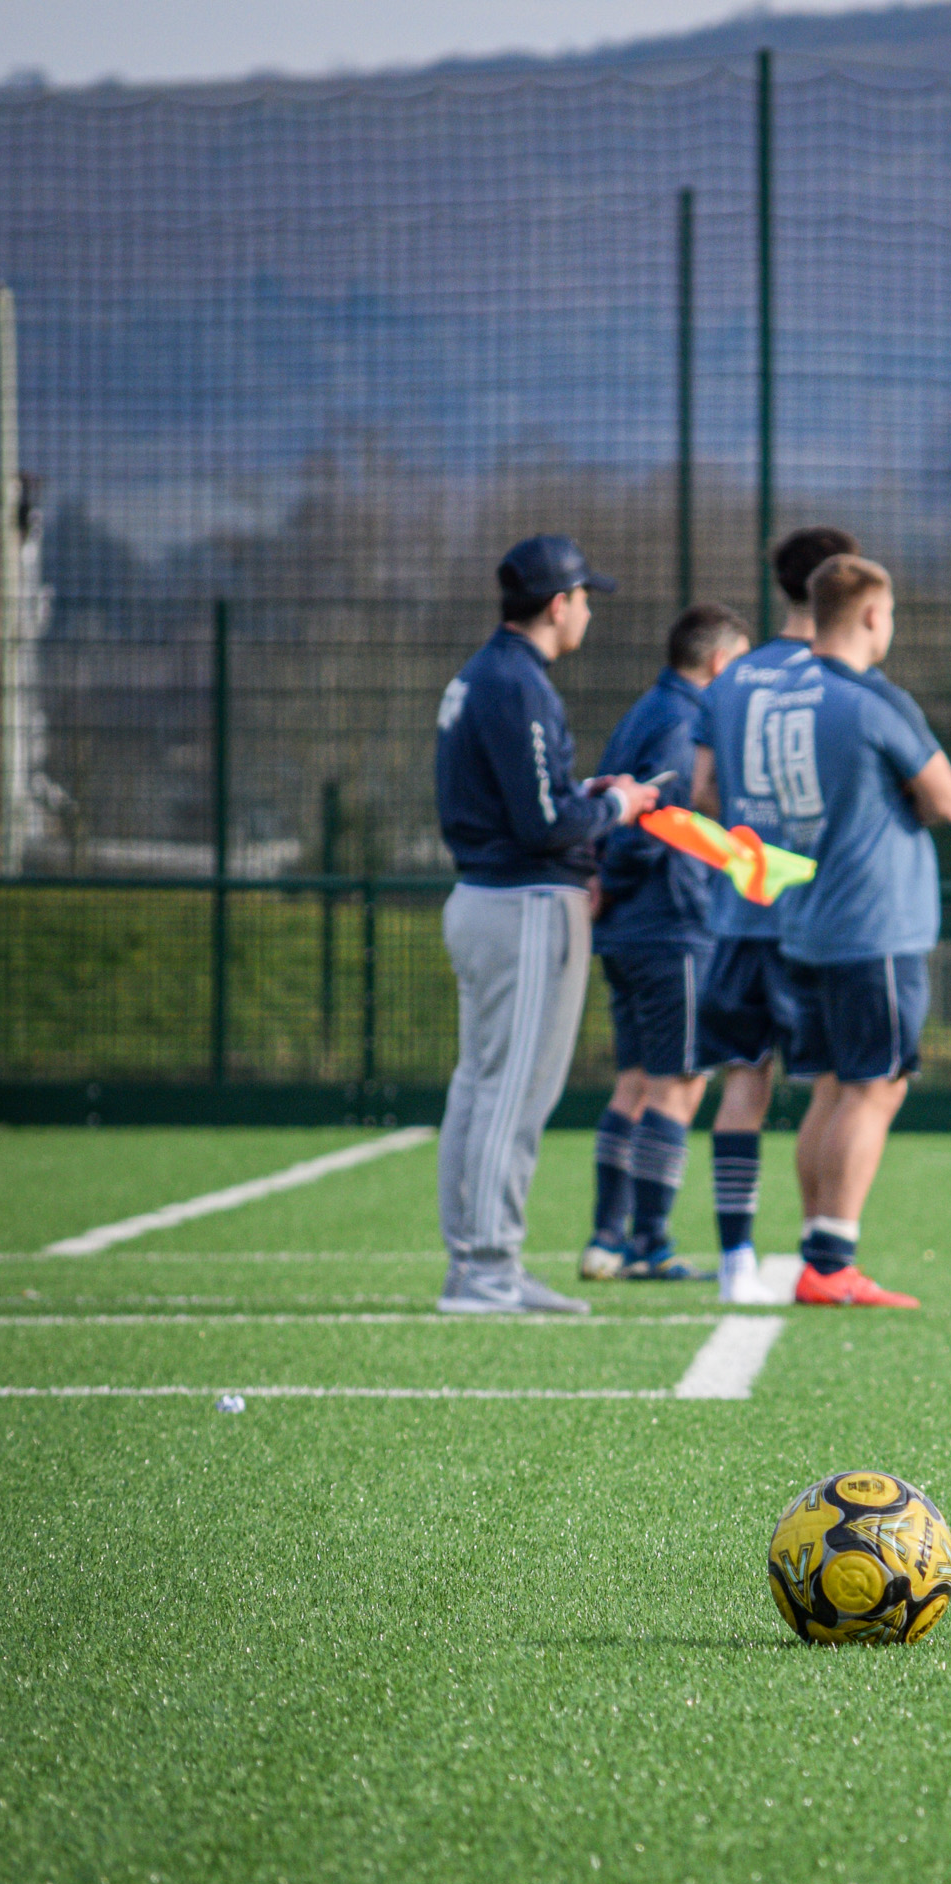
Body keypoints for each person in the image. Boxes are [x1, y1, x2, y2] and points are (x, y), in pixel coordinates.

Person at [433, 533, 660, 1314]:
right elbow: (540, 824)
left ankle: (477, 1263)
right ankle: (487, 1269)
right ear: (558, 604)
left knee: (482, 1085)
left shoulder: (485, 674)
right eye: (586, 598)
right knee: (512, 1091)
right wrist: (616, 807)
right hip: (524, 904)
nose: (590, 612)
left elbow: (533, 801)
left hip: (488, 898)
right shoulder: (517, 682)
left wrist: (586, 795)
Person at [769, 554, 951, 1307]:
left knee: (831, 1086)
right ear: (873, 617)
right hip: (873, 923)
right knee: (874, 1089)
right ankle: (831, 1261)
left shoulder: (785, 697)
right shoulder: (874, 699)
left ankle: (817, 1252)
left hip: (805, 918)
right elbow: (945, 801)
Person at [689, 525, 860, 1305]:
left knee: (741, 1088)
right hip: (811, 918)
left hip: (736, 913)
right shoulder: (833, 676)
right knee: (832, 1089)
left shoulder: (729, 679)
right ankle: (820, 1253)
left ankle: (734, 1263)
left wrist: (749, 850)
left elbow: (701, 797)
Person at [582, 602, 751, 1282]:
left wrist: (604, 886)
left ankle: (606, 1238)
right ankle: (648, 1244)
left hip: (628, 931)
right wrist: (617, 880)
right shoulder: (686, 723)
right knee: (676, 1088)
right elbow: (655, 824)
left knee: (633, 1086)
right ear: (718, 663)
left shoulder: (643, 711)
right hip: (670, 926)